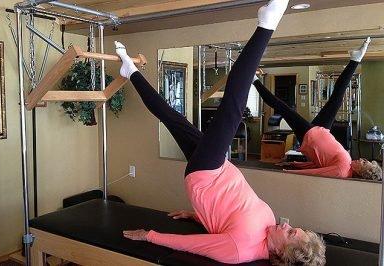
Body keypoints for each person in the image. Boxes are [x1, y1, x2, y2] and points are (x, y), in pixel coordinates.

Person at [116, 0, 325, 264]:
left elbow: (192, 244)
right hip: (219, 168)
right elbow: (227, 215)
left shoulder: (240, 250)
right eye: (294, 227)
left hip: (204, 175)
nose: (287, 225)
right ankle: (130, 70)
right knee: (171, 117)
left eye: (292, 232)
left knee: (232, 108)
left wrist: (150, 236)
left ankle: (266, 25)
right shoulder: (269, 222)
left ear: (283, 253)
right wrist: (195, 216)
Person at [252, 38, 382, 180]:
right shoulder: (348, 165)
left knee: (282, 107)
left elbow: (315, 173)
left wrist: (289, 170)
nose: (362, 159)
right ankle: (354, 60)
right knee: (336, 98)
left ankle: (254, 80)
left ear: (362, 172)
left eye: (364, 163)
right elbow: (320, 166)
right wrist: (293, 164)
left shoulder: (342, 170)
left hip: (311, 137)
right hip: (322, 132)